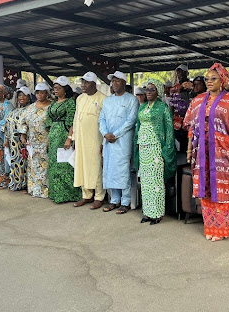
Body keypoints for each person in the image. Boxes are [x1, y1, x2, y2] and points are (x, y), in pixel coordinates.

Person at [183, 63, 229, 241]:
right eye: (207, 79)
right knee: (205, 189)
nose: (209, 82)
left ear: (222, 80)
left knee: (223, 190)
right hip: (202, 154)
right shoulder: (197, 100)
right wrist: (189, 150)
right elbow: (191, 127)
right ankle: (210, 227)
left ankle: (223, 229)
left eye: (214, 78)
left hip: (224, 154)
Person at [134, 79, 177, 225]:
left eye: (152, 89)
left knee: (156, 181)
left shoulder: (162, 107)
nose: (148, 92)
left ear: (158, 91)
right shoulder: (142, 107)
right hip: (143, 147)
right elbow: (138, 126)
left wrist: (167, 150)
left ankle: (157, 213)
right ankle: (147, 212)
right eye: (147, 89)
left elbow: (169, 130)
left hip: (157, 148)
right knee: (145, 182)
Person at [99, 71, 139, 214]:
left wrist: (115, 134)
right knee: (110, 169)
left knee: (123, 170)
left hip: (123, 140)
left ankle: (125, 201)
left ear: (124, 82)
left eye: (117, 81)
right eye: (112, 81)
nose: (114, 83)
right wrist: (105, 134)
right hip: (109, 141)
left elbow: (131, 121)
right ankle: (114, 200)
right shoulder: (108, 101)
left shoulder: (131, 100)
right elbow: (101, 119)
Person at [66, 72, 107, 209]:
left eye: (86, 83)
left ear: (94, 84)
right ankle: (86, 195)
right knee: (82, 166)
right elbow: (76, 119)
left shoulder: (103, 99)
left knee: (96, 168)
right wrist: (74, 138)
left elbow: (105, 122)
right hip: (81, 139)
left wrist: (103, 143)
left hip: (96, 140)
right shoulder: (80, 99)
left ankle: (99, 196)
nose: (83, 85)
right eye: (82, 82)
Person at [46, 77, 81, 203]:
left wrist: (69, 138)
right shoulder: (53, 103)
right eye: (54, 88)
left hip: (64, 134)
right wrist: (48, 139)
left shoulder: (70, 103)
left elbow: (72, 122)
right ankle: (56, 193)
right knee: (54, 164)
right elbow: (48, 122)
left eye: (58, 88)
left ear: (65, 90)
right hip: (54, 135)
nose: (55, 91)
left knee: (64, 165)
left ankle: (68, 194)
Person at [18, 82, 51, 198]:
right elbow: (23, 122)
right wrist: (22, 136)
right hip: (32, 142)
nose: (39, 95)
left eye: (42, 92)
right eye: (37, 93)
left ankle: (46, 191)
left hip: (46, 141)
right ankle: (35, 190)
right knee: (33, 167)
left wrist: (49, 140)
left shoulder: (51, 107)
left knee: (45, 167)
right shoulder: (30, 108)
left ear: (47, 93)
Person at [3, 87, 31, 191]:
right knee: (15, 163)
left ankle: (25, 185)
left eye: (24, 95)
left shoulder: (30, 109)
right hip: (13, 144)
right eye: (19, 95)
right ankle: (16, 183)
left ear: (29, 97)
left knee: (25, 164)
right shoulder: (14, 110)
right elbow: (6, 125)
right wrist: (6, 140)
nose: (21, 97)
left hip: (24, 143)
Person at [169, 64, 194, 151]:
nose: (180, 74)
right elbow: (172, 103)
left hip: (188, 119)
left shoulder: (191, 85)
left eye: (182, 72)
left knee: (188, 143)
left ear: (187, 73)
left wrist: (182, 89)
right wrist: (171, 117)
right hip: (176, 120)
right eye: (178, 72)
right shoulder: (173, 87)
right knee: (178, 142)